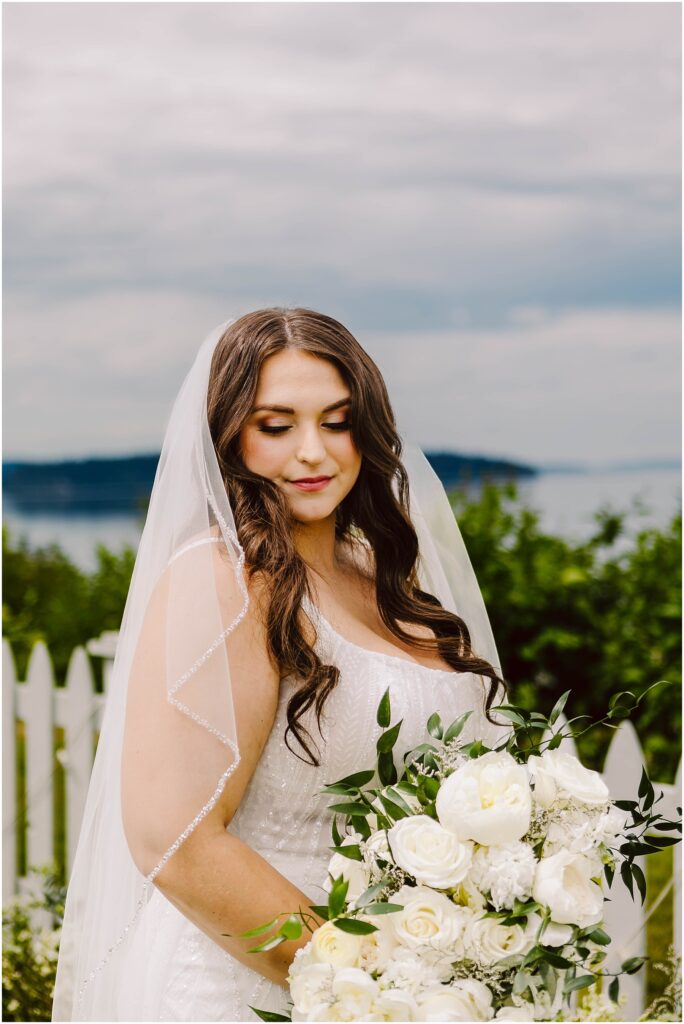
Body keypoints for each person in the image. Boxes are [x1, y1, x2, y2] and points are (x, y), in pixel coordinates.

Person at [52, 308, 509, 1022]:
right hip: (257, 982)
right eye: (276, 425)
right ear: (229, 434)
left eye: (337, 421)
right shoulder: (225, 581)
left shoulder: (378, 572)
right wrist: (373, 984)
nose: (314, 453)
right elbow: (175, 840)